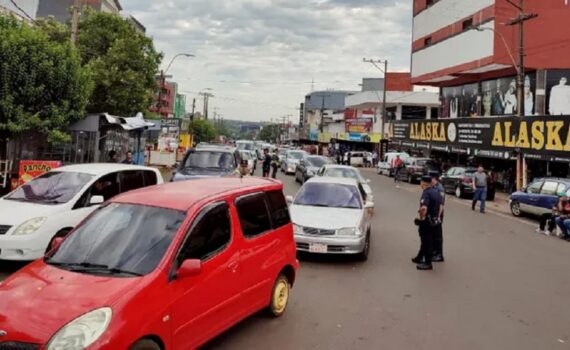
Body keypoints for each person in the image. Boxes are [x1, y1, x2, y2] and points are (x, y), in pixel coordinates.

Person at [413, 176, 443, 270]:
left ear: (423, 183)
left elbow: (424, 208)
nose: (420, 184)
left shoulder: (426, 193)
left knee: (426, 241)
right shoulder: (436, 191)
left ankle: (427, 262)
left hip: (427, 221)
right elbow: (441, 207)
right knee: (427, 240)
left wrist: (421, 218)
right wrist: (437, 217)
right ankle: (419, 257)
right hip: (434, 220)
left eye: (421, 182)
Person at [430, 171, 445, 262]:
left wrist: (438, 217)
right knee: (433, 234)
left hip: (438, 214)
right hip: (433, 213)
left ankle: (439, 255)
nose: (430, 180)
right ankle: (434, 251)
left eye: (431, 178)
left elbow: (441, 205)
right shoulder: (434, 186)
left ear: (435, 179)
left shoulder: (440, 189)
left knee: (438, 235)